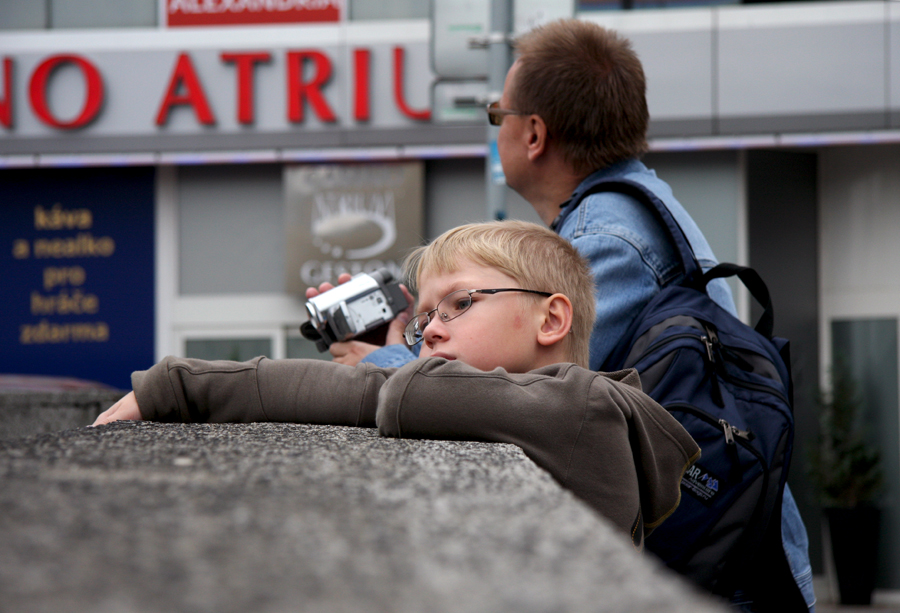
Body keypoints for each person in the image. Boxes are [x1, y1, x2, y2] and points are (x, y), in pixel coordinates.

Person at [313, 19, 814, 612]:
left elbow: (524, 397)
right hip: (725, 554)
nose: (496, 129)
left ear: (533, 134)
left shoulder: (606, 240)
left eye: (497, 115)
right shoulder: (631, 207)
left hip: (723, 574)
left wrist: (387, 360)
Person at [94, 220, 701, 548]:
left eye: (460, 303)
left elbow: (392, 393)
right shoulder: (544, 412)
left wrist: (180, 385)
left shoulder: (582, 408)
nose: (430, 330)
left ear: (551, 320)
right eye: (425, 318)